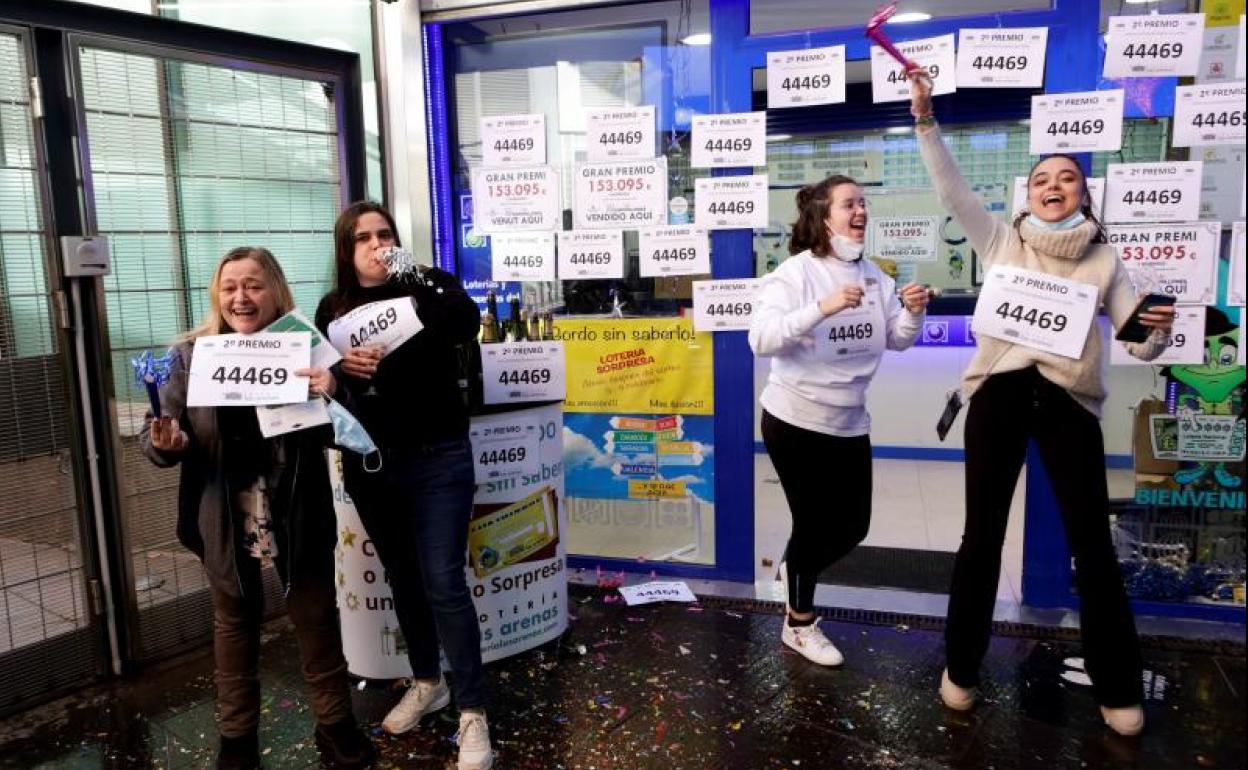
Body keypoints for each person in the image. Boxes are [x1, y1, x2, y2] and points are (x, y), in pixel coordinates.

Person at [908, 72, 1175, 736]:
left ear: (1085, 193)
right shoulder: (1003, 241)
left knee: (1093, 546)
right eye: (1041, 180)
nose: (1054, 186)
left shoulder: (1106, 261)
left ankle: (1117, 685)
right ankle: (961, 669)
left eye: (1068, 179)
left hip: (1069, 403)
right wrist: (924, 120)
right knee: (981, 538)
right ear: (1026, 194)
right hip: (998, 394)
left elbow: (1138, 347)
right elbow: (951, 189)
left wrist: (1156, 327)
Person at [140, 247, 375, 770]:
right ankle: (237, 739)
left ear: (274, 291)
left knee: (315, 618)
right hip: (224, 509)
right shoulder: (191, 355)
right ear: (216, 295)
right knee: (234, 622)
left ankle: (336, 728)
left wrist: (333, 391)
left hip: (295, 503)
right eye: (230, 287)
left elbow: (354, 432)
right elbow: (158, 438)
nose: (240, 298)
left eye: (252, 285)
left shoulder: (306, 349)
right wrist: (167, 442)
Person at [314, 202, 493, 770]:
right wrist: (343, 371)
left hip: (439, 457)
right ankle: (426, 680)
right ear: (347, 250)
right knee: (405, 580)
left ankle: (473, 712)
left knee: (443, 581)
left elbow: (466, 323)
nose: (376, 245)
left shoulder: (429, 287)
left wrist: (415, 272)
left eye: (385, 234)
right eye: (363, 238)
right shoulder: (333, 309)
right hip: (372, 464)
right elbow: (322, 384)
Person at [749, 175, 931, 666]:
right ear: (824, 216)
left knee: (853, 525)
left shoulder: (875, 276)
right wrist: (820, 308)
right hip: (794, 419)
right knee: (812, 524)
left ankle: (796, 570)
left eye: (864, 203)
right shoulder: (795, 274)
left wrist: (913, 312)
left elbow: (896, 338)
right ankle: (800, 624)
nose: (861, 211)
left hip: (849, 420)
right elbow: (761, 339)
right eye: (849, 204)